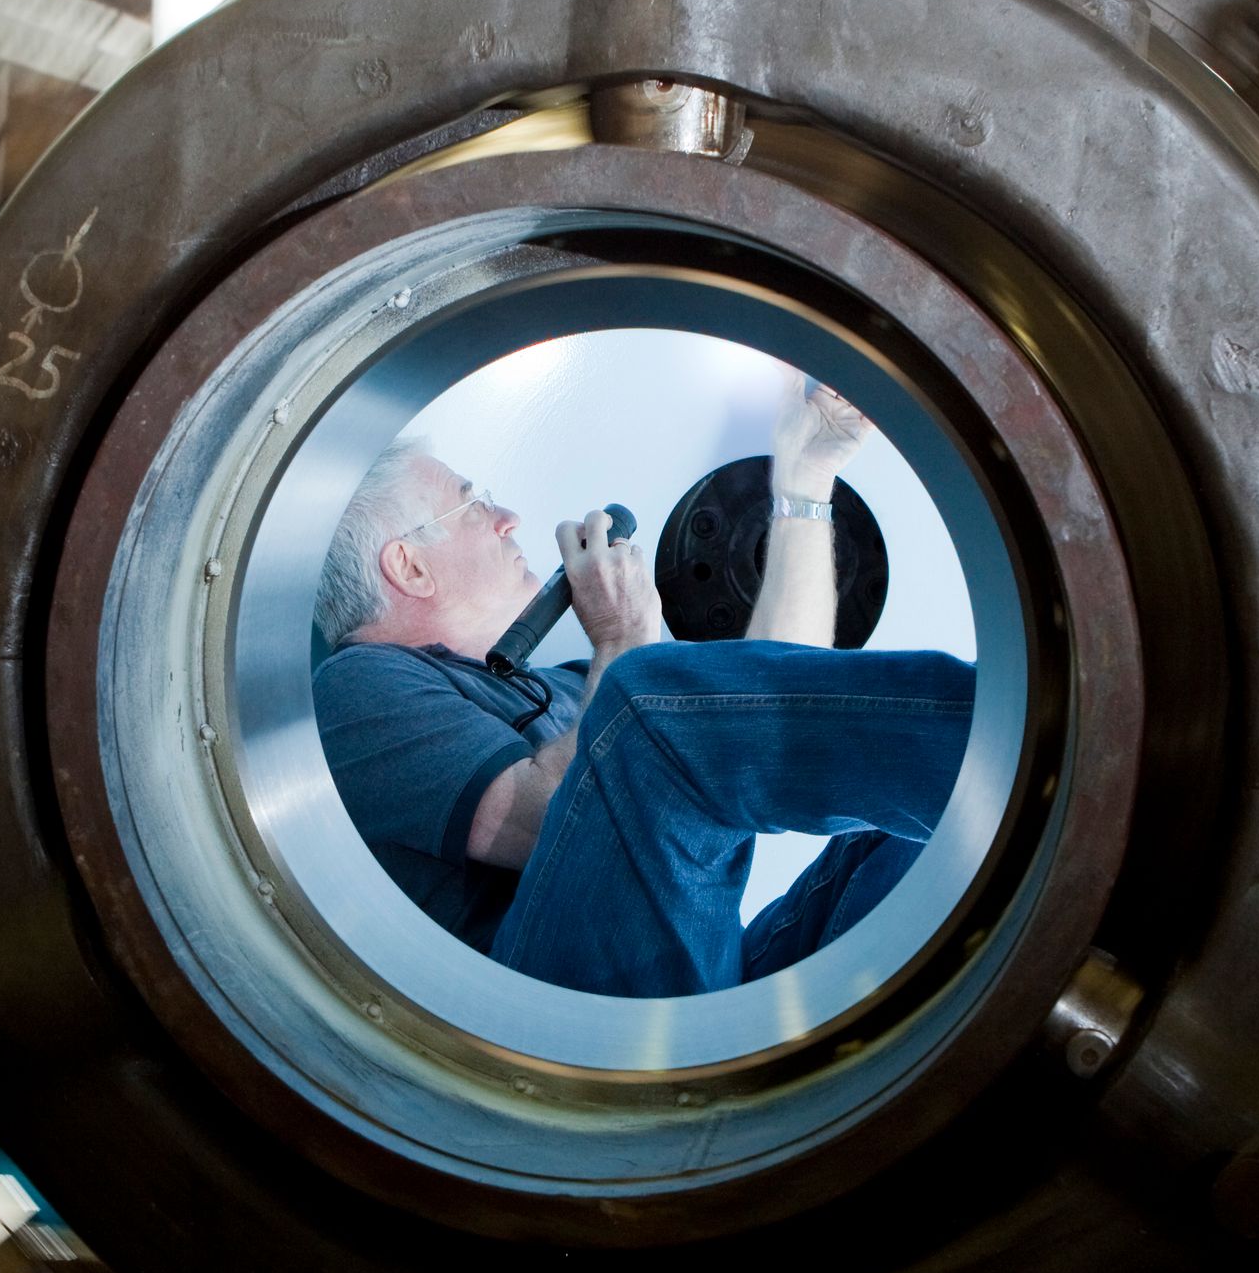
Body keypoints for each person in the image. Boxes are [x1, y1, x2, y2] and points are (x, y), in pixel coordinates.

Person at [312, 379, 977, 997]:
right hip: (558, 1017)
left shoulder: (566, 688)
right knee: (645, 706)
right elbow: (545, 820)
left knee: (926, 836)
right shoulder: (355, 688)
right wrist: (621, 639)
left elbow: (767, 696)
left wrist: (805, 476)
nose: (508, 517)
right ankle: (1054, 751)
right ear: (408, 564)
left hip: (700, 984)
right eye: (475, 504)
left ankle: (1014, 783)